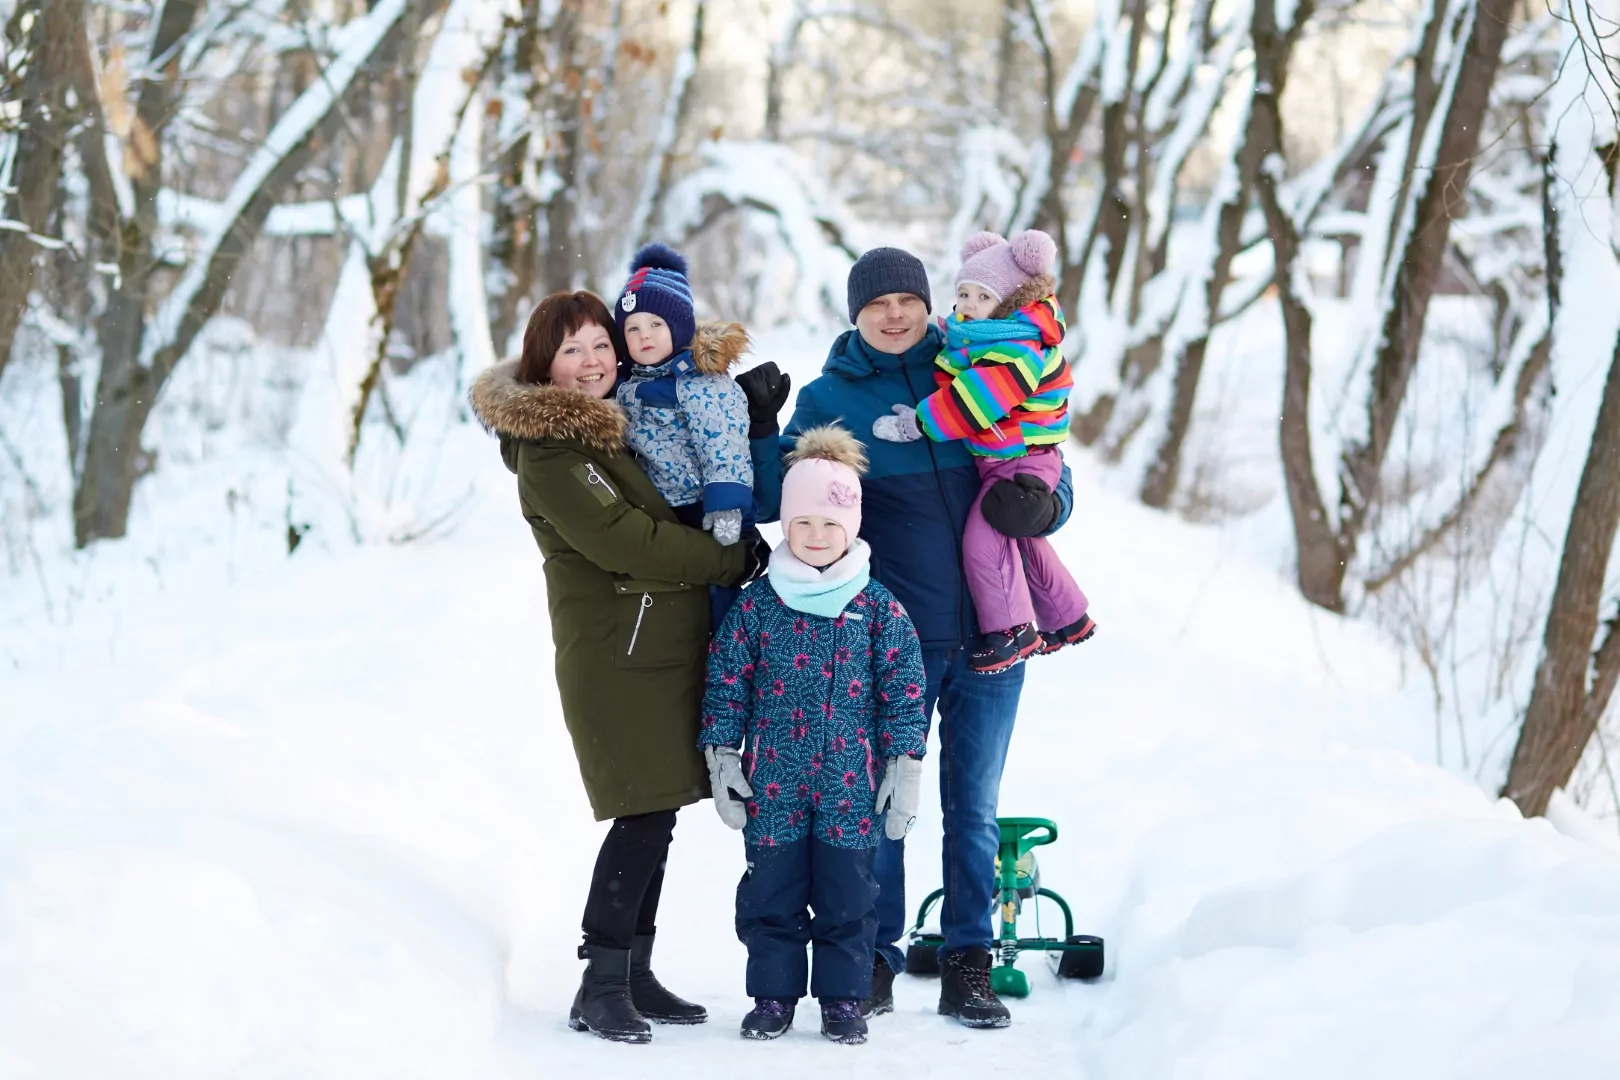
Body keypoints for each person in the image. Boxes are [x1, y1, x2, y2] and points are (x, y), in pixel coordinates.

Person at [739, 246, 1075, 1029]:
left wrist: (1047, 508)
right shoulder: (830, 399)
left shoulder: (973, 367)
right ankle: (876, 959)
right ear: (855, 314)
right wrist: (762, 426)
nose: (895, 315)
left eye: (907, 301)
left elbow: (1047, 457)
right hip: (890, 644)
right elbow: (773, 501)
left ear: (929, 306)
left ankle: (967, 961)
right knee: (881, 806)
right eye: (876, 304)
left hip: (996, 631)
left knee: (974, 807)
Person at [468, 290, 769, 1045]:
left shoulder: (618, 425)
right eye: (572, 350)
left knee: (658, 810)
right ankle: (599, 981)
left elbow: (689, 475)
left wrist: (750, 422)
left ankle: (634, 970)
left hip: (658, 645)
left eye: (601, 344)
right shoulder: (553, 451)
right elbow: (629, 541)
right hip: (615, 654)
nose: (593, 361)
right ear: (545, 364)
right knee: (638, 813)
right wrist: (729, 558)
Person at [699, 425, 929, 1045]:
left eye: (830, 525)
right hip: (772, 778)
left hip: (851, 783)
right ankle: (773, 996)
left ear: (851, 528)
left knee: (848, 896)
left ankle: (843, 999)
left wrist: (904, 768)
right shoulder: (759, 604)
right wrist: (723, 756)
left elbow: (904, 690)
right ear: (787, 528)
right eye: (803, 524)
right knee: (770, 891)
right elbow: (727, 682)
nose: (818, 537)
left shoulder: (877, 607)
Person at [871, 230, 1095, 673]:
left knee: (983, 542)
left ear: (1011, 301)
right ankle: (1068, 619)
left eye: (983, 296)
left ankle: (1012, 631)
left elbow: (973, 401)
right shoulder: (987, 339)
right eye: (963, 294)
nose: (969, 305)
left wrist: (916, 423)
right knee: (1022, 542)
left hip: (1021, 461)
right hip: (1008, 457)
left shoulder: (1015, 350)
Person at [614, 243, 754, 627]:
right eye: (633, 328)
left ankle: (726, 661)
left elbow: (724, 445)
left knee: (716, 599)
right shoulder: (627, 384)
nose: (645, 336)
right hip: (660, 512)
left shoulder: (698, 382)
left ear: (678, 327)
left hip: (701, 506)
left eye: (656, 325)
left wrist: (726, 506)